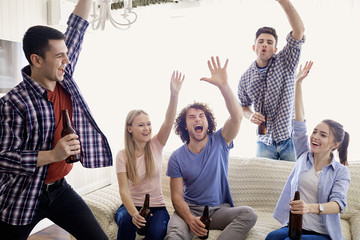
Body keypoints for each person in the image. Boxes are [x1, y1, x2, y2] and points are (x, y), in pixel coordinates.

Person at [0, 1, 112, 239]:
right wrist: (53, 155)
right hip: (23, 194)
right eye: (60, 56)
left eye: (67, 54)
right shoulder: (14, 102)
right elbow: (4, 157)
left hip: (59, 189)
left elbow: (77, 27)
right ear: (37, 60)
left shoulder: (62, 75)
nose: (67, 61)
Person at [165, 56, 258, 240]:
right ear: (185, 126)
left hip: (218, 210)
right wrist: (191, 219)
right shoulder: (176, 157)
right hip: (189, 209)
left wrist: (224, 86)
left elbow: (237, 116)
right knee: (174, 236)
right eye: (191, 117)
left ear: (208, 122)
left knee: (249, 214)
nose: (197, 119)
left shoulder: (221, 141)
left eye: (201, 116)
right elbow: (176, 197)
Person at [265, 61, 351, 240]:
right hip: (294, 227)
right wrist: (298, 84)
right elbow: (299, 125)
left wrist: (310, 207)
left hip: (321, 233)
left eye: (323, 135)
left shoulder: (341, 172)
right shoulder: (303, 156)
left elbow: (338, 205)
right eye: (314, 132)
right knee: (271, 238)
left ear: (334, 144)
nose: (315, 137)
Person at [114, 71, 184, 240]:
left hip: (157, 207)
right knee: (125, 221)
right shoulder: (122, 155)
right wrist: (133, 214)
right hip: (131, 206)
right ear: (130, 128)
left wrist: (174, 95)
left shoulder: (156, 145)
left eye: (148, 124)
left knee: (155, 234)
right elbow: (124, 190)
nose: (147, 128)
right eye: (141, 125)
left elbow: (168, 120)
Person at [238, 0, 306, 161]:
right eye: (260, 41)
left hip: (290, 140)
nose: (264, 45)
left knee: (294, 184)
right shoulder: (245, 78)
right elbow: (243, 105)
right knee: (262, 185)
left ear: (275, 49)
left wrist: (283, 2)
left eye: (269, 42)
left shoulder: (286, 61)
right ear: (254, 47)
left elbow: (299, 31)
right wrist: (250, 116)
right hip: (263, 142)